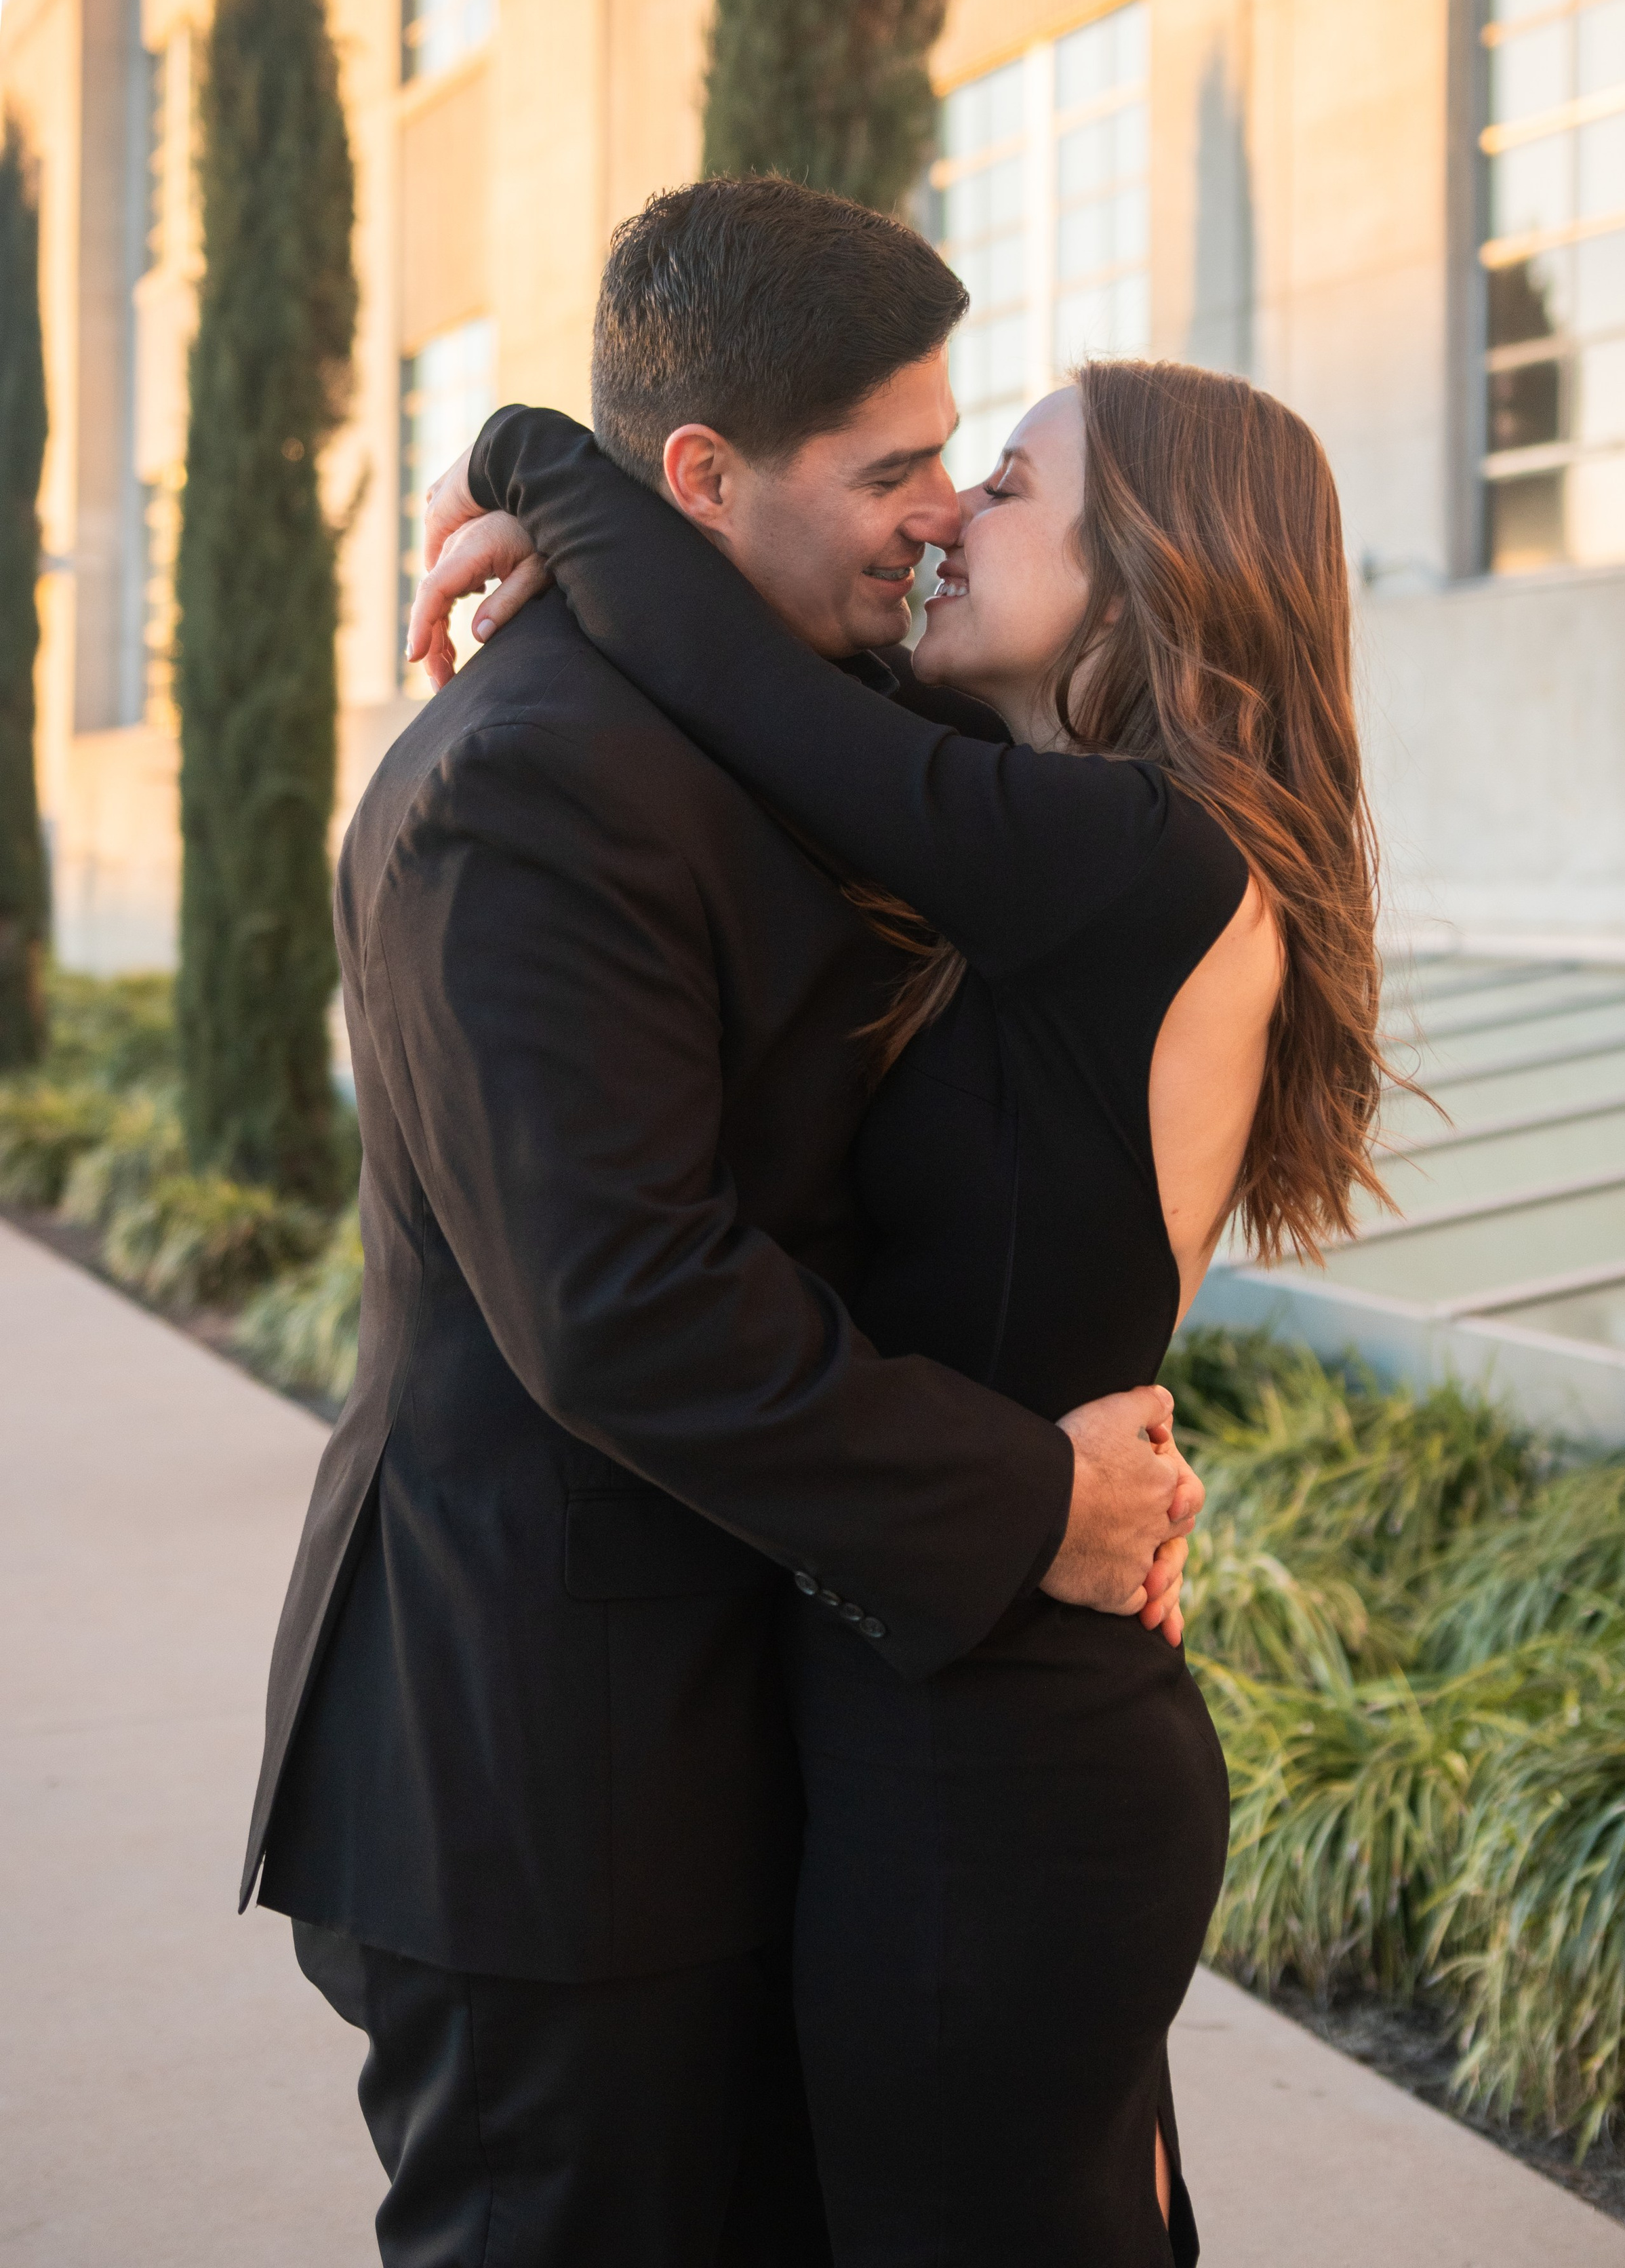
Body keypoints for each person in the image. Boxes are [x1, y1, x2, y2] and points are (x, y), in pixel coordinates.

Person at [243, 176, 1197, 2268]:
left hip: (726, 1754)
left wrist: (542, 485)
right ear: (702, 476)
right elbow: (628, 1305)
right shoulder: (528, 780)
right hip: (549, 1787)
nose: (939, 512)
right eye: (893, 468)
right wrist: (1031, 1500)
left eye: (958, 458)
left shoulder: (754, 715)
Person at [415, 317, 1392, 2267]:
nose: (947, 520)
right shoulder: (1072, 848)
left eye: (1007, 486)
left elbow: (751, 696)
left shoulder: (1138, 855)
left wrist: (527, 459)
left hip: (998, 1756)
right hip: (973, 1699)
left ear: (1153, 569)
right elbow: (782, 694)